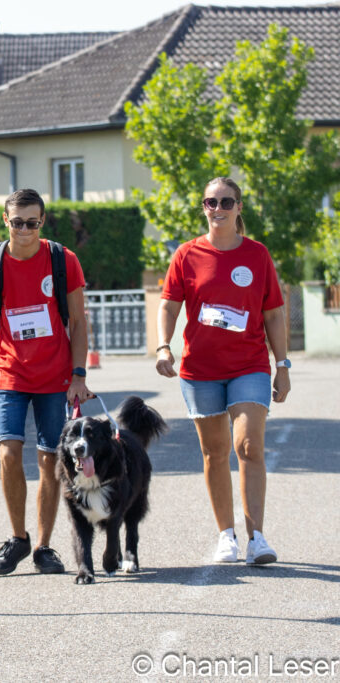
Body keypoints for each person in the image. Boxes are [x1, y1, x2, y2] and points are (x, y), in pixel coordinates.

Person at [155, 177, 289, 565]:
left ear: (238, 208)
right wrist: (164, 345)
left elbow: (274, 314)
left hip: (249, 365)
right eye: (211, 202)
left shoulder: (257, 255)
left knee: (248, 446)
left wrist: (282, 366)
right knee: (214, 451)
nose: (218, 208)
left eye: (226, 202)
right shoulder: (186, 254)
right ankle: (225, 536)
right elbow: (168, 305)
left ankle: (257, 538)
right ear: (204, 207)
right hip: (200, 369)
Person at [0, 188, 91, 576]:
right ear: (5, 221)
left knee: (49, 459)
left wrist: (78, 375)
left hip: (54, 375)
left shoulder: (62, 260)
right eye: (17, 222)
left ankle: (42, 546)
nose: (24, 230)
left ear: (42, 221)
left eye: (32, 223)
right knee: (8, 452)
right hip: (10, 371)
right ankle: (18, 538)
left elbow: (77, 321)